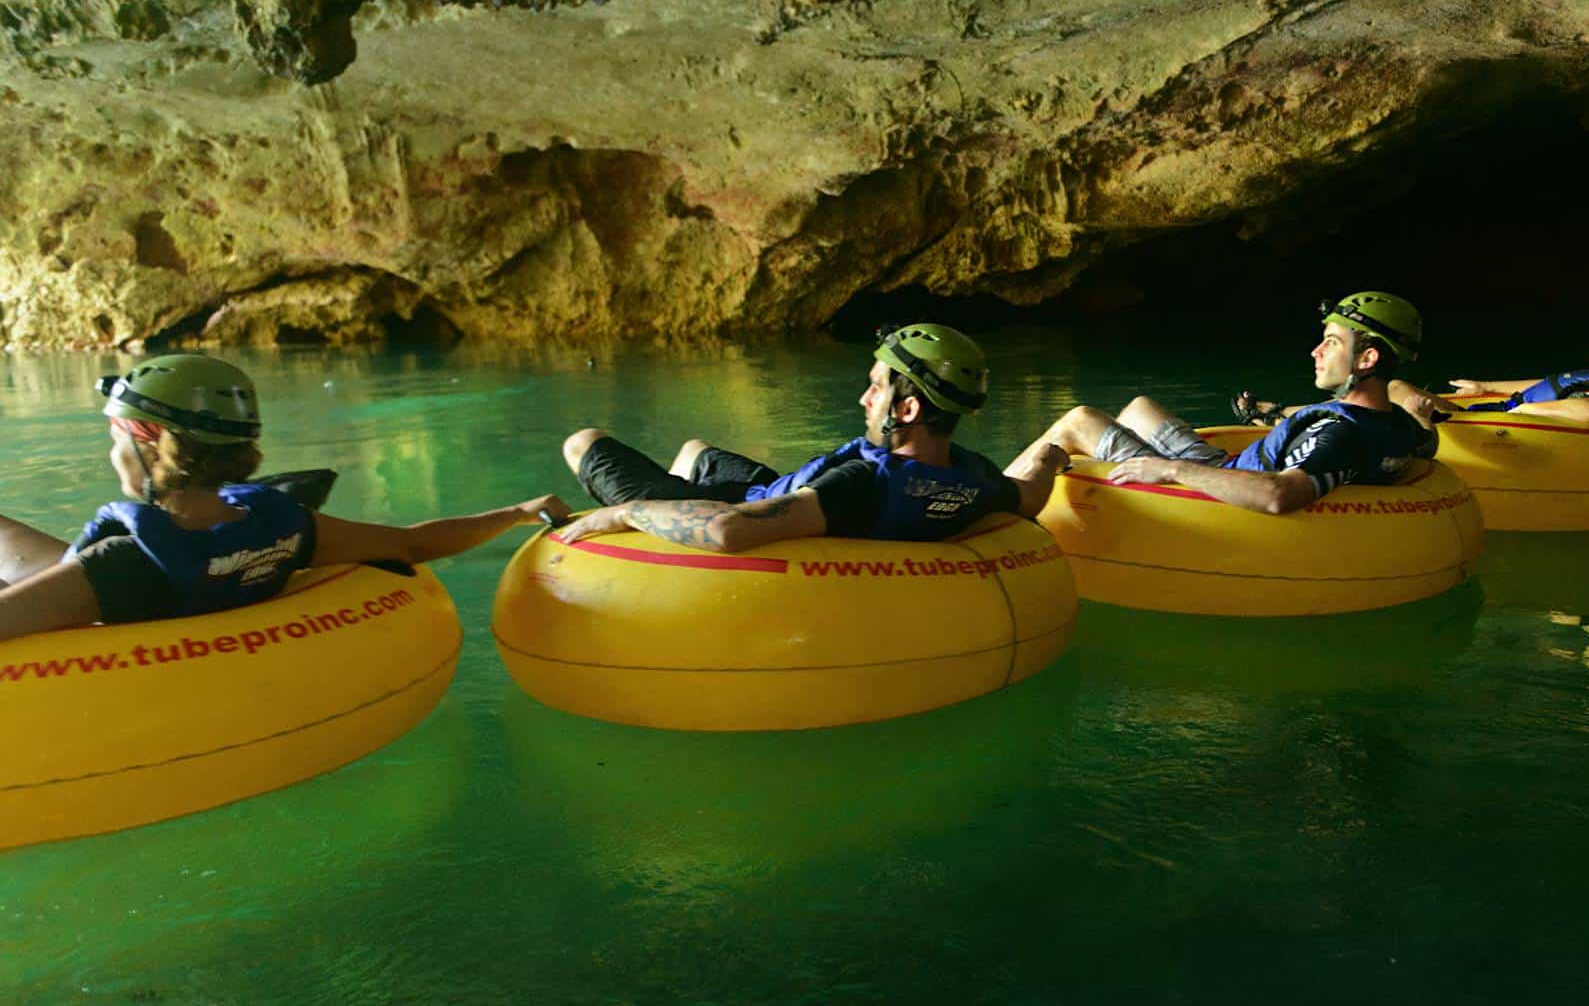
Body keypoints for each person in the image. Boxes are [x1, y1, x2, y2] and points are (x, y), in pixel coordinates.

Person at [0, 354, 570, 645]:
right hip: (166, 585)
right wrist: (518, 513)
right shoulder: (279, 524)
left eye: (115, 438)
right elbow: (415, 542)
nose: (112, 454)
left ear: (150, 441)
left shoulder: (119, 564)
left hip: (109, 605)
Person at [555, 324, 1067, 551]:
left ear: (907, 409)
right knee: (694, 451)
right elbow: (1032, 494)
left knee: (582, 441)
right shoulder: (973, 475)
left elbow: (729, 531)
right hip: (777, 483)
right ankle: (685, 476)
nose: (864, 401)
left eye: (874, 389)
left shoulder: (860, 485)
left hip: (769, 499)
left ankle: (659, 493)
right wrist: (1052, 455)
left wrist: (624, 514)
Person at [1004, 292, 1439, 516]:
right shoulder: (1399, 424)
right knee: (1138, 407)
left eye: (1330, 343)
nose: (1315, 352)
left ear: (1368, 359)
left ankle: (1004, 504)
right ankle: (1114, 493)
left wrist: (1169, 470)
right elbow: (1422, 441)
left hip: (1228, 483)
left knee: (1078, 421)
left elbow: (1278, 495)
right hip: (1229, 463)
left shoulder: (1340, 431)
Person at [1410, 288, 1589, 423]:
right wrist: (1486, 387)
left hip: (1489, 425)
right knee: (1397, 389)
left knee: (1398, 391)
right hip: (1485, 417)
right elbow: (1549, 384)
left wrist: (1522, 411)